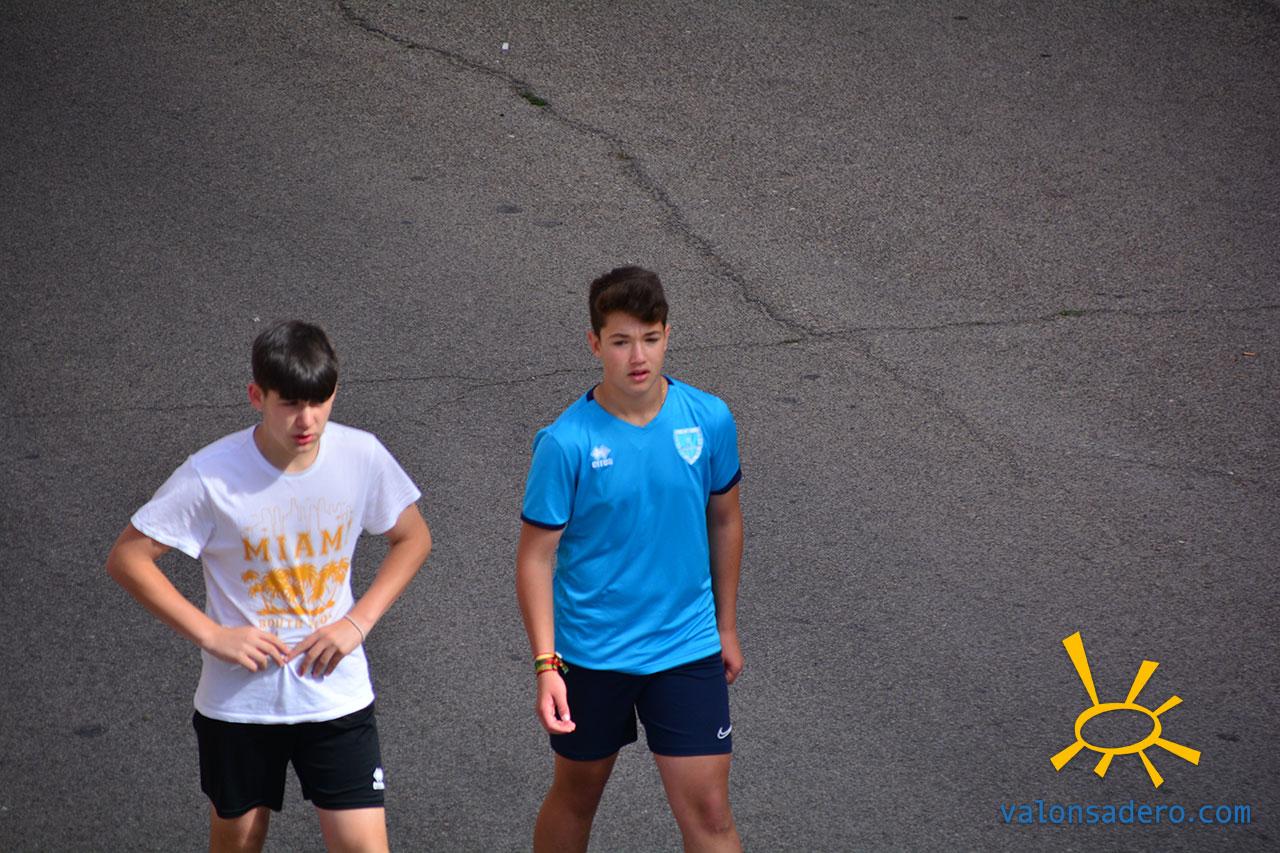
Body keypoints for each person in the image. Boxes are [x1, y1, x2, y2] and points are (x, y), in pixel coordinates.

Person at [106, 320, 432, 853]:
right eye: (290, 404)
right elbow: (128, 558)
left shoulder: (363, 456)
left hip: (336, 697)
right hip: (241, 704)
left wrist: (357, 622)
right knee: (238, 843)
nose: (307, 420)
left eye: (319, 401)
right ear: (257, 396)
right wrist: (212, 635)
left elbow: (413, 537)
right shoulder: (211, 475)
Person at [516, 266, 745, 852]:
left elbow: (725, 519)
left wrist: (725, 626)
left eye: (650, 338)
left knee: (711, 813)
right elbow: (535, 559)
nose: (637, 356)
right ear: (595, 344)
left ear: (668, 335)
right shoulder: (565, 442)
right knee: (576, 796)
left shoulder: (708, 419)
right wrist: (546, 665)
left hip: (685, 646)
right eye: (620, 341)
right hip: (593, 654)